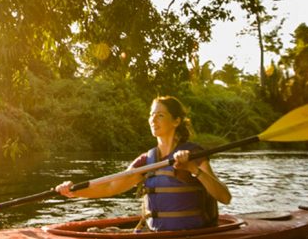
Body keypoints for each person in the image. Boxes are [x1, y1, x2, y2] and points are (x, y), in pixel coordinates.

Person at [56, 95, 231, 231]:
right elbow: (110, 187)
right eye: (151, 115)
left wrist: (193, 169)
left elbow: (225, 197)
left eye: (160, 115)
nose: (153, 120)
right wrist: (74, 191)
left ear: (176, 121)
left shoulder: (194, 153)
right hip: (156, 235)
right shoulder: (147, 160)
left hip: (194, 235)